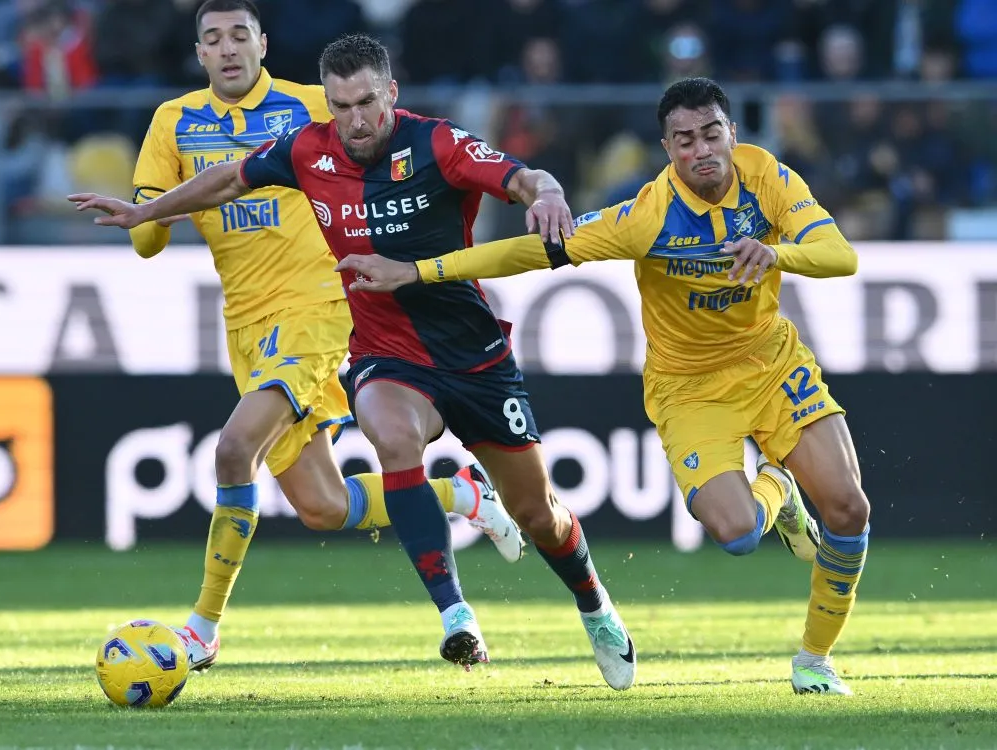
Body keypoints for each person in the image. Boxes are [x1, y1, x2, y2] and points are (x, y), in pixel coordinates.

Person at [69, 33, 637, 690]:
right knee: (391, 436)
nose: (356, 120)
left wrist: (547, 193)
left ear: (390, 93)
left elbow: (521, 177)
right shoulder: (309, 149)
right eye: (341, 106)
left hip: (470, 352)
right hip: (382, 352)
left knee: (538, 513)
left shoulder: (437, 144)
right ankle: (456, 615)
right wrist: (146, 210)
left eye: (366, 102)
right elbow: (227, 179)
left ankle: (594, 605)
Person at [337, 77, 871, 696]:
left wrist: (779, 256)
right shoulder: (646, 216)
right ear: (667, 149)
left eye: (712, 134)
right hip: (690, 389)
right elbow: (527, 253)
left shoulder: (768, 177)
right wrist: (419, 271)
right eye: (685, 140)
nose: (702, 150)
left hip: (773, 363)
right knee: (739, 535)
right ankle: (779, 485)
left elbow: (840, 255)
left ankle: (814, 661)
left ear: (733, 134)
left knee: (850, 508)